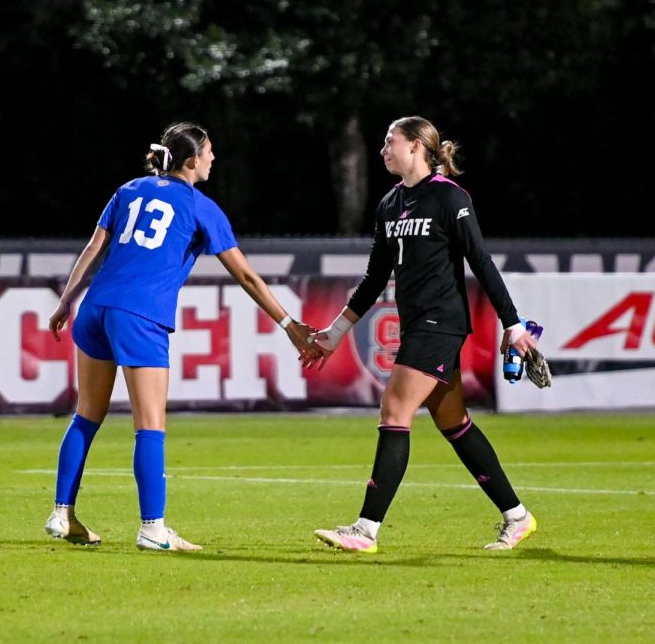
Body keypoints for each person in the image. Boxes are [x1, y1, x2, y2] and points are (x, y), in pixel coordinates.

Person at [44, 122, 318, 552]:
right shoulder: (199, 205)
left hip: (95, 308)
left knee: (86, 415)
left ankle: (62, 513)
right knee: (150, 427)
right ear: (192, 160)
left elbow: (94, 247)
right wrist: (289, 325)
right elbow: (245, 275)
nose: (213, 159)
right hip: (140, 315)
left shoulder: (130, 189)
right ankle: (153, 528)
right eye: (209, 152)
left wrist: (66, 301)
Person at [307, 115, 541, 553]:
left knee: (394, 411)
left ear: (416, 146)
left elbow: (482, 262)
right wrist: (336, 331)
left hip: (441, 323)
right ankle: (518, 516)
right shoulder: (390, 204)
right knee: (455, 424)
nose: (383, 149)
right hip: (418, 325)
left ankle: (365, 530)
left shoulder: (450, 198)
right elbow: (375, 276)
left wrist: (513, 324)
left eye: (389, 141)